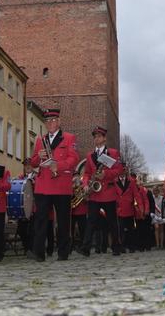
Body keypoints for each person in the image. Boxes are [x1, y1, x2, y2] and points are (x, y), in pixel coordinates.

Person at [30, 108, 79, 261]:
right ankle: (39, 253)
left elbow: (74, 159)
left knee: (63, 221)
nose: (50, 123)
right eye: (47, 121)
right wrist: (38, 156)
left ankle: (63, 252)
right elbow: (32, 163)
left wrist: (59, 165)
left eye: (53, 120)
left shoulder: (69, 138)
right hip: (43, 185)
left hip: (61, 185)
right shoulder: (40, 140)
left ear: (59, 122)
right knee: (41, 220)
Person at [78, 126, 123, 257]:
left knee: (112, 222)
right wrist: (85, 184)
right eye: (95, 137)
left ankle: (116, 247)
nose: (96, 139)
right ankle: (85, 248)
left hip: (108, 192)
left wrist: (105, 174)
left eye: (99, 136)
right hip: (95, 193)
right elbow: (86, 173)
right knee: (91, 221)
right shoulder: (89, 155)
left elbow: (118, 170)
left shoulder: (113, 153)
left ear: (104, 138)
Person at [115, 166, 142, 253]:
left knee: (131, 230)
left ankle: (132, 247)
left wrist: (140, 207)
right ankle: (122, 247)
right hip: (119, 210)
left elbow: (136, 194)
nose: (123, 172)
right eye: (121, 170)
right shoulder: (114, 181)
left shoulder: (131, 181)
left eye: (124, 170)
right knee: (121, 230)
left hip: (129, 209)